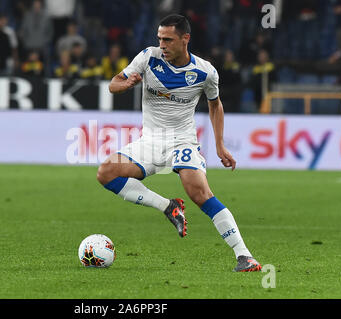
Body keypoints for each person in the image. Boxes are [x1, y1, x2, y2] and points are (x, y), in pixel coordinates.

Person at [96, 14, 262, 272]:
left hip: (182, 140)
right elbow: (113, 84)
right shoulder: (148, 57)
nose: (162, 44)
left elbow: (215, 105)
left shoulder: (205, 72)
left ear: (185, 39)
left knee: (197, 191)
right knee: (106, 172)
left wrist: (219, 145)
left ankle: (245, 256)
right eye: (160, 38)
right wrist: (126, 83)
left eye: (168, 39)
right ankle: (167, 206)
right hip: (150, 140)